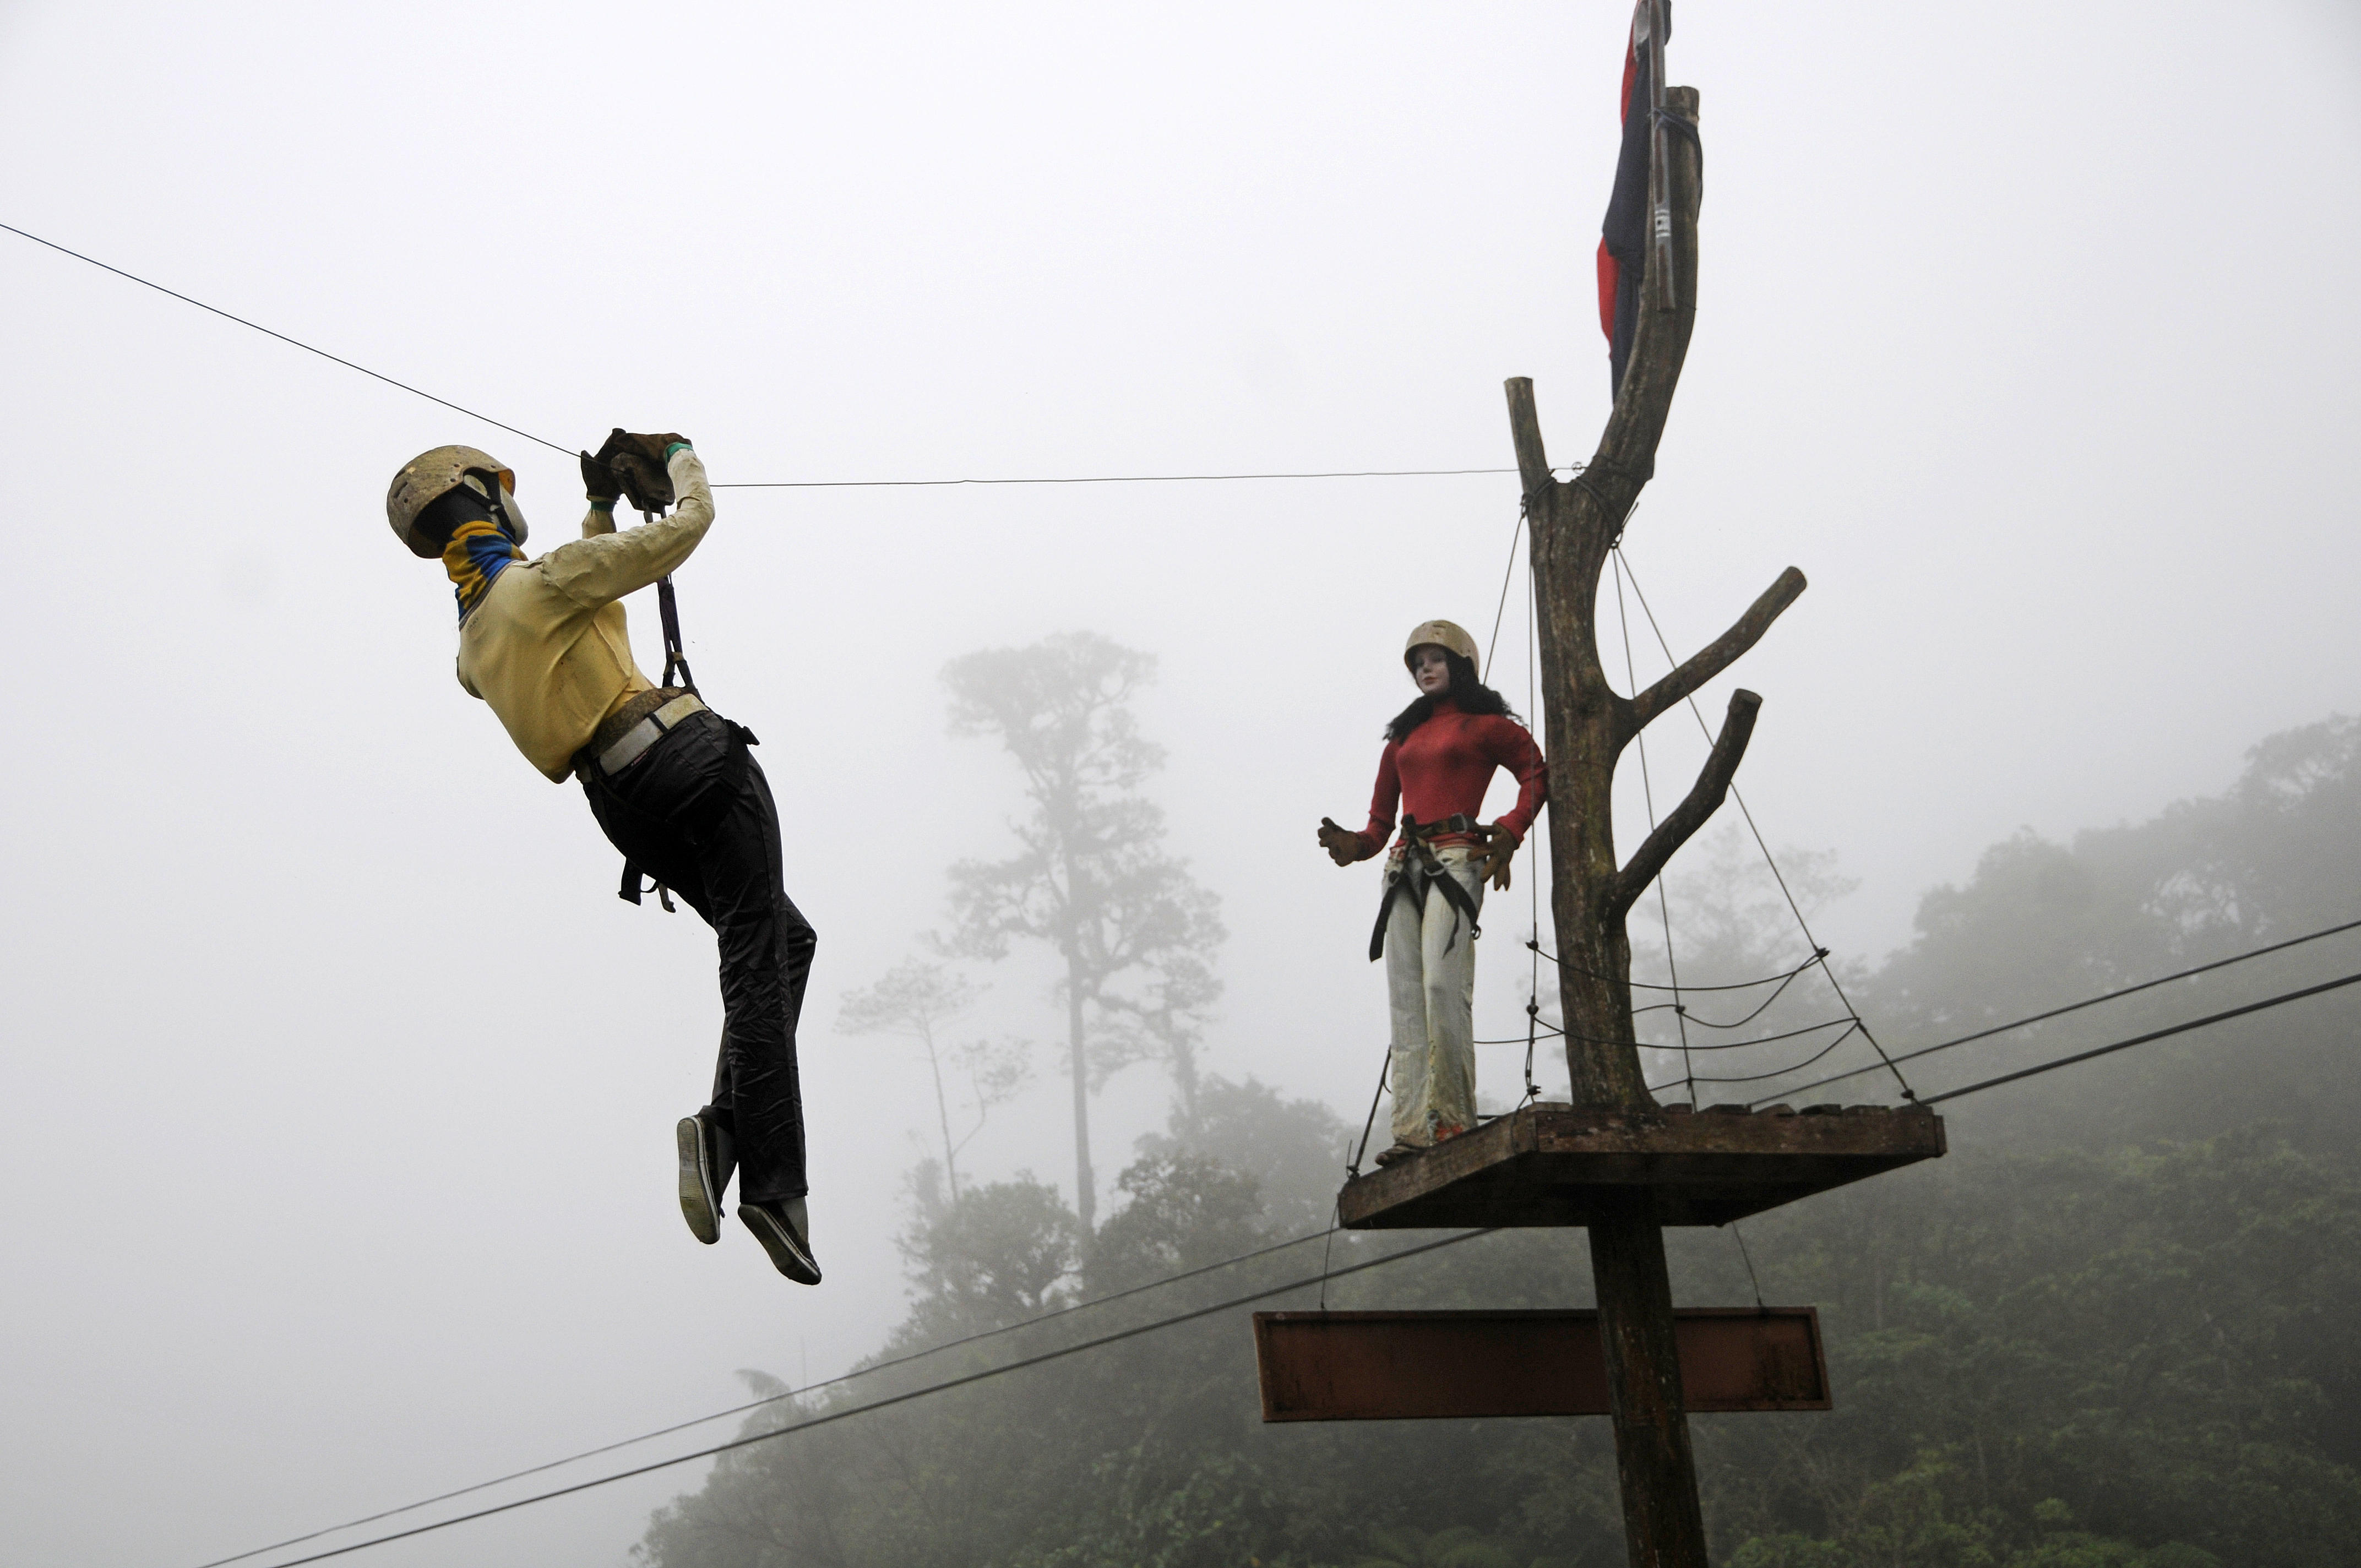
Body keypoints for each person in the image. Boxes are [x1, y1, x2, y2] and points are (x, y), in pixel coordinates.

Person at [383, 434, 820, 1284]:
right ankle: (773, 1185)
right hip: (691, 762)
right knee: (755, 955)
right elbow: (692, 525)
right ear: (481, 494)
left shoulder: (475, 646)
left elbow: (570, 594)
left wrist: (602, 510)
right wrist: (685, 455)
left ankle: (727, 1128)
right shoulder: (542, 585)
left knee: (782, 941)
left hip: (625, 808)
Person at [1318, 620, 1546, 1166]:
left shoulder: (1488, 726)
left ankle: (1450, 1121)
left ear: (1459, 664)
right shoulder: (1403, 738)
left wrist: (1511, 828)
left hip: (1457, 856)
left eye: (1435, 659)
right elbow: (1379, 825)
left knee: (1441, 985)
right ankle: (1413, 1129)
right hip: (1403, 865)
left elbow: (1535, 773)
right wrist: (1355, 844)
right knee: (1405, 992)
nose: (1424, 668)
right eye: (1417, 661)